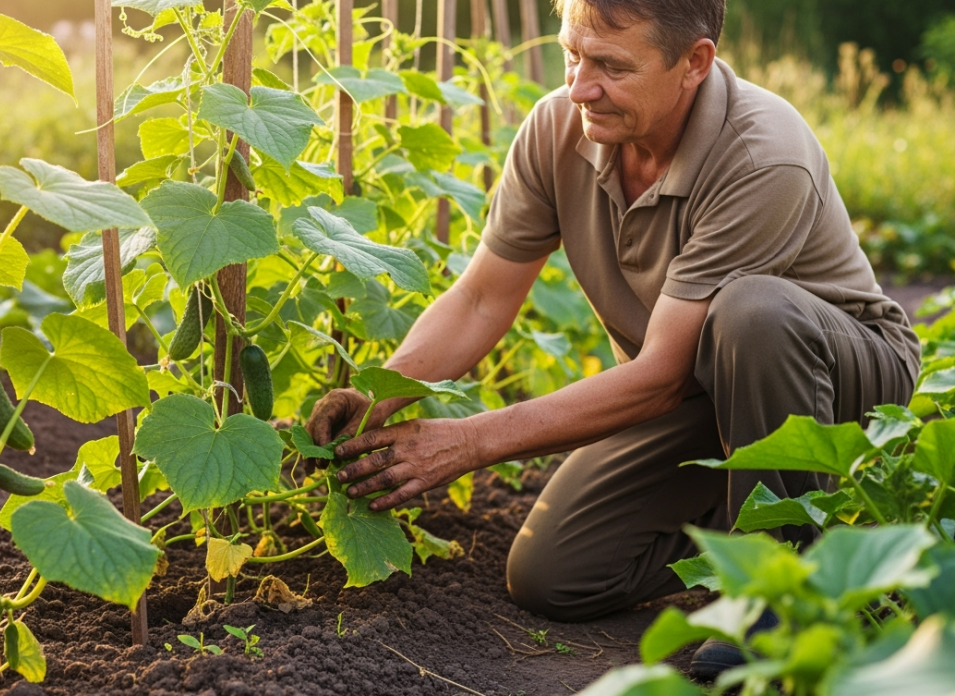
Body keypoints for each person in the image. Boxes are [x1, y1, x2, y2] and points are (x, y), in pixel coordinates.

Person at [304, 0, 920, 680]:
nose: (579, 86)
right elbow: (481, 298)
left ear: (695, 64)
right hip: (702, 390)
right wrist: (378, 393)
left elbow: (657, 374)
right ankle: (741, 510)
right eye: (572, 54)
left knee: (753, 312)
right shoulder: (562, 128)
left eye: (611, 66)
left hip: (838, 382)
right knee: (554, 577)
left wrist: (471, 440)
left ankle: (788, 589)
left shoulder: (762, 154)